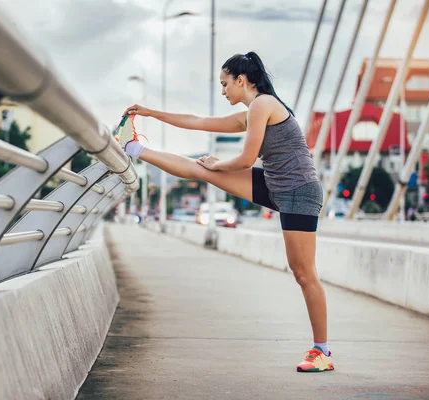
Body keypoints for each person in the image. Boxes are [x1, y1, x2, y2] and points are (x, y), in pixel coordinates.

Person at [119, 51, 333, 373]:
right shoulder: (251, 112)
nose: (223, 91)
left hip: (299, 191)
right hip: (276, 183)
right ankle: (132, 148)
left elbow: (247, 159)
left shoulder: (262, 105)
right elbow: (198, 122)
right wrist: (150, 113)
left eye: (224, 84)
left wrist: (219, 163)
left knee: (303, 273)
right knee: (203, 171)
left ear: (241, 80)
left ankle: (322, 352)